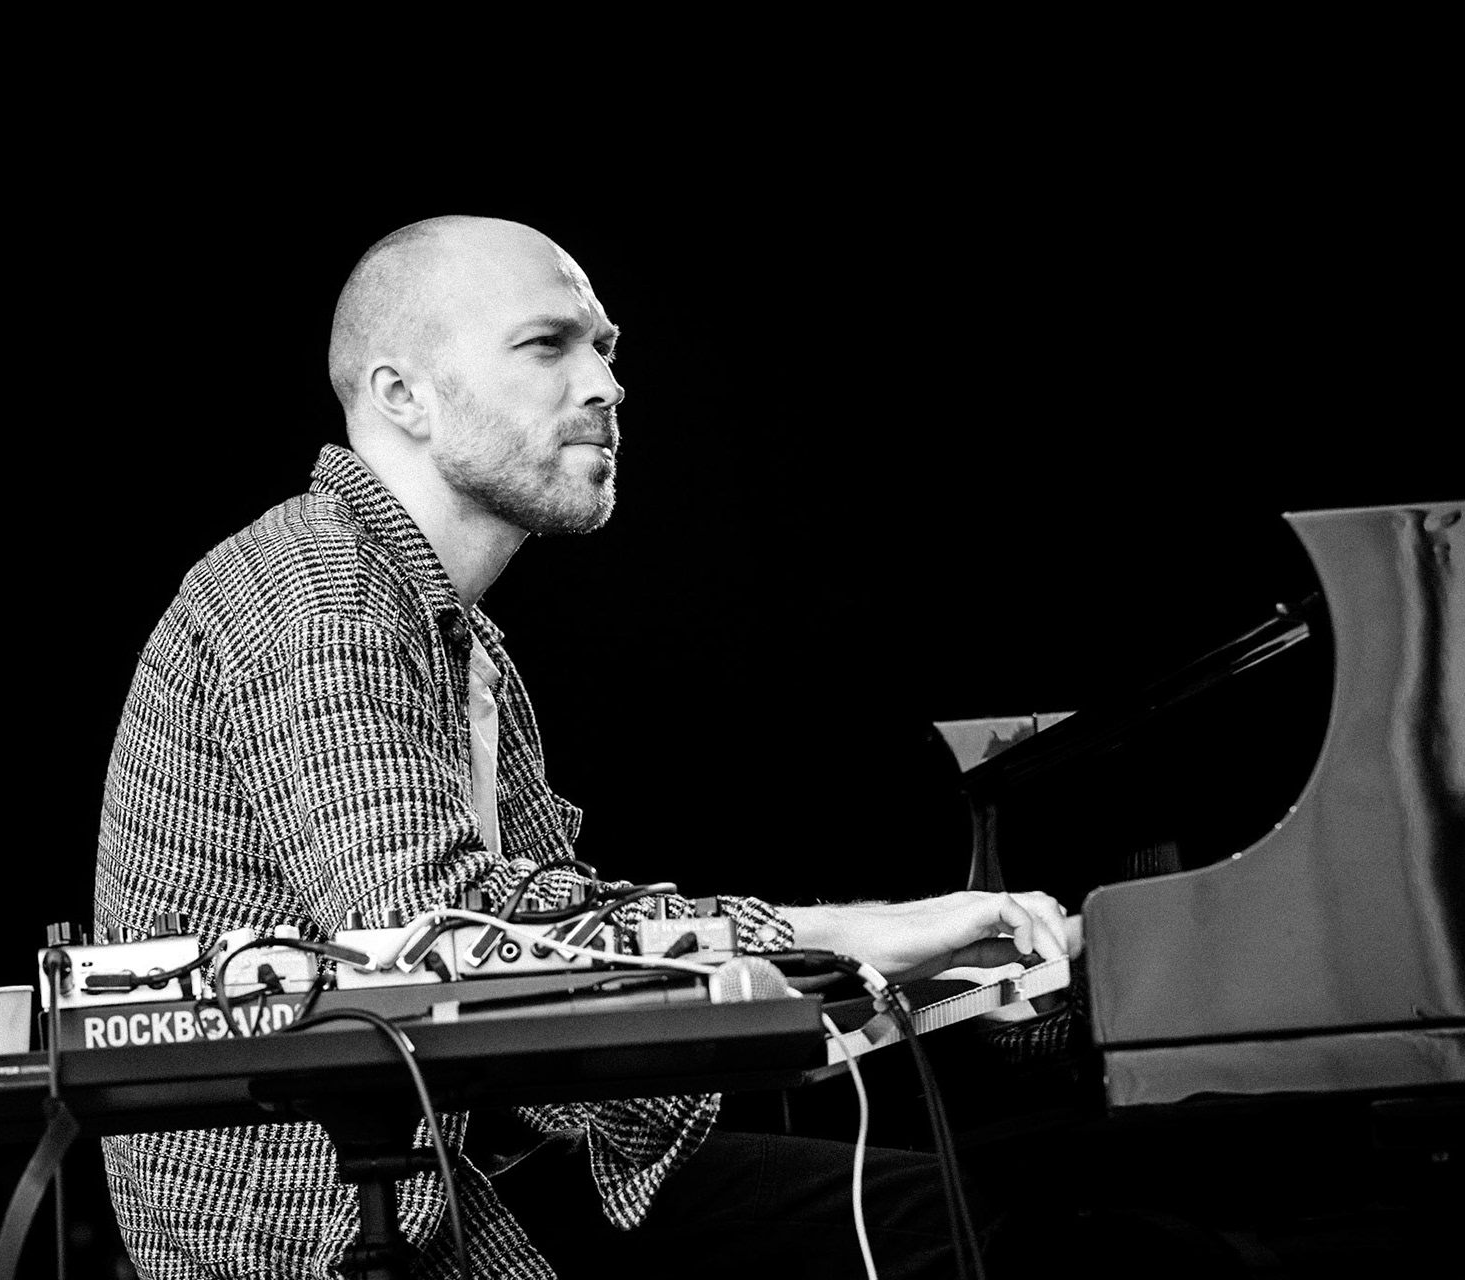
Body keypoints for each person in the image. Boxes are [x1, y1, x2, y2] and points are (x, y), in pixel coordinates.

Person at [92, 215, 1080, 1279]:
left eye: (604, 346)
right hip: (344, 1213)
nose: (607, 384)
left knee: (918, 1207)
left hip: (476, 1160)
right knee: (923, 1225)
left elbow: (546, 923)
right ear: (401, 396)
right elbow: (435, 935)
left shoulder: (452, 630)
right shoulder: (318, 595)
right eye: (547, 344)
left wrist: (878, 970)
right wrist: (841, 939)